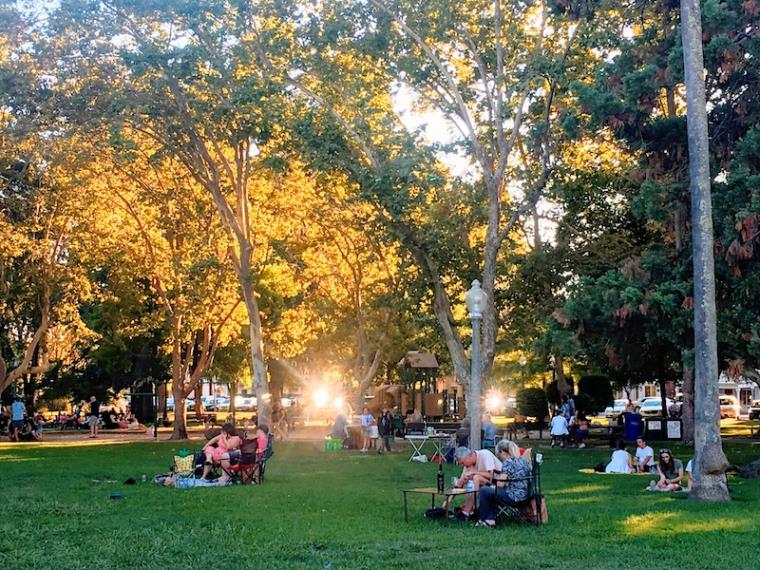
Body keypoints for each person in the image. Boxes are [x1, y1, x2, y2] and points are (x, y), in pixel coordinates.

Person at [476, 440, 531, 527]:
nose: (500, 458)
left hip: (513, 496)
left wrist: (492, 485)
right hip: (525, 494)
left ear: (502, 452)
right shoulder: (523, 461)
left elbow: (500, 484)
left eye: (499, 455)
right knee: (491, 493)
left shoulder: (508, 462)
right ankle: (490, 519)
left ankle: (484, 519)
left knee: (484, 490)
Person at [448, 446, 502, 518]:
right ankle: (470, 510)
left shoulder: (485, 454)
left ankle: (466, 512)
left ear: (469, 456)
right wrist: (448, 501)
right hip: (484, 485)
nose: (463, 465)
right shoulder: (468, 465)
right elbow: (459, 485)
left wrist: (474, 472)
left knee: (476, 478)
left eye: (463, 463)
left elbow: (491, 475)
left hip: (499, 483)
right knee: (470, 481)